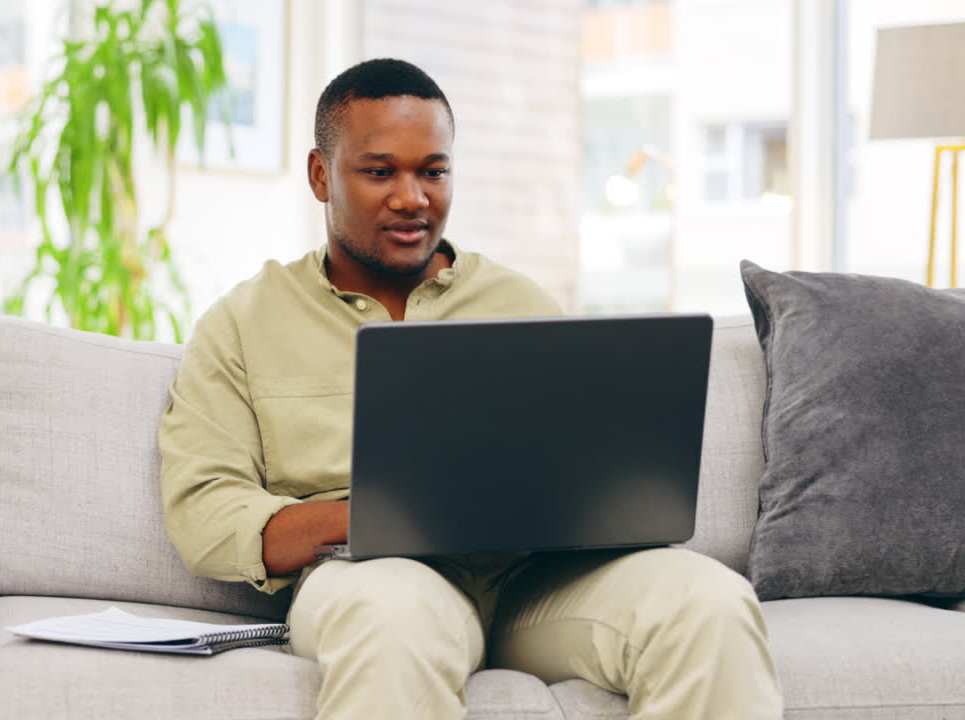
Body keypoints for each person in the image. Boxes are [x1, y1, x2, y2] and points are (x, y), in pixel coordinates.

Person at [158, 58, 783, 720]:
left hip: (535, 583)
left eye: (433, 170)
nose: (412, 197)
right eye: (380, 172)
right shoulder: (244, 321)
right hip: (371, 578)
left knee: (708, 604)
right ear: (321, 175)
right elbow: (205, 512)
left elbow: (590, 463)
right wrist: (374, 520)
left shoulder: (520, 303)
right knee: (392, 617)